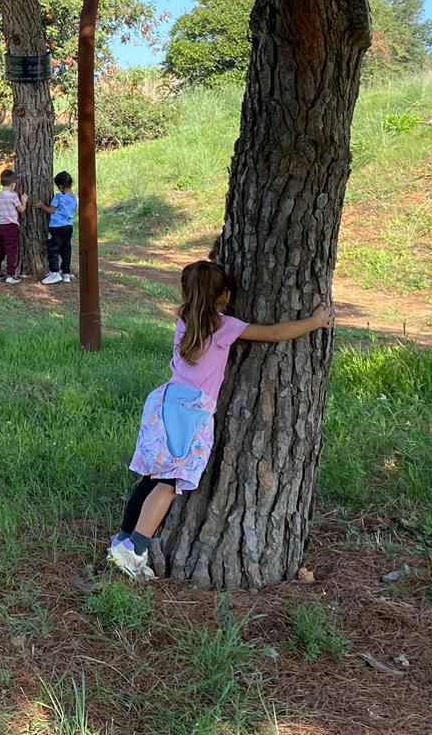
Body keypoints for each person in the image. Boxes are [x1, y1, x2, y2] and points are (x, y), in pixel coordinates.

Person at [108, 259, 333, 580]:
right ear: (225, 296)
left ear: (186, 293)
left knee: (153, 478)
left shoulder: (184, 319)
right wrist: (315, 321)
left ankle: (122, 539)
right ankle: (134, 550)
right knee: (170, 484)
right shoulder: (222, 326)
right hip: (190, 412)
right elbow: (275, 333)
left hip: (166, 401)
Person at [36, 171, 78, 285]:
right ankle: (66, 273)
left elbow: (51, 210)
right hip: (68, 227)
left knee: (53, 249)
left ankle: (54, 272)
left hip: (56, 228)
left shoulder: (58, 197)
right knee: (66, 249)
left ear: (60, 187)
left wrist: (42, 206)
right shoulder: (75, 199)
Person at [0, 169, 25, 283]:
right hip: (11, 227)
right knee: (11, 251)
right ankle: (10, 275)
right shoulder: (13, 196)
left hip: (0, 226)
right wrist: (24, 201)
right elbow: (21, 209)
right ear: (12, 185)